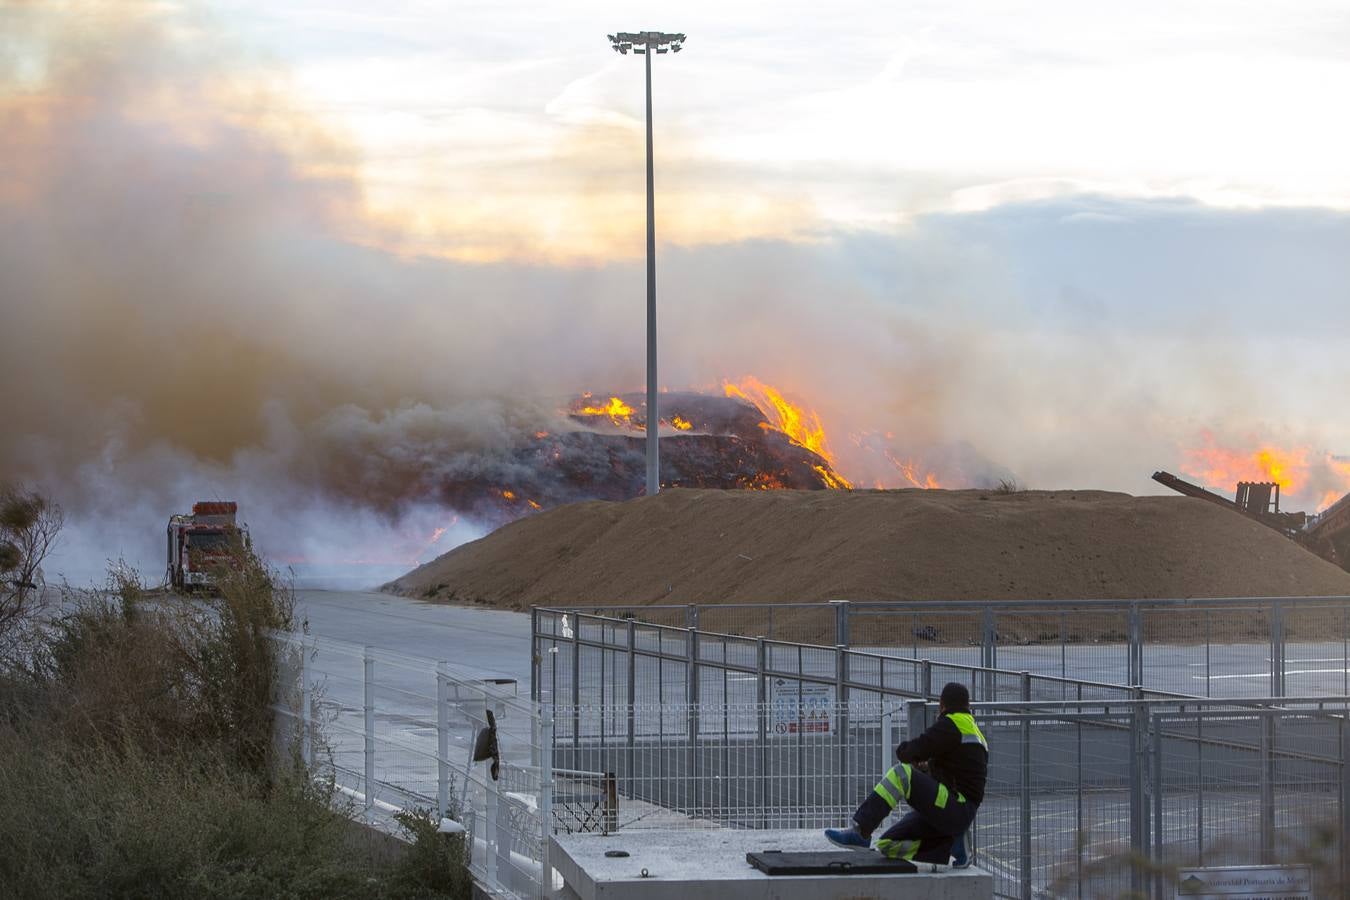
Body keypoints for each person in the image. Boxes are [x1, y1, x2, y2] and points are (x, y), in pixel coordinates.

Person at [825, 682, 988, 866]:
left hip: (955, 807)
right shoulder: (973, 730)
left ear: (942, 705)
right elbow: (957, 773)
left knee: (902, 774)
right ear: (968, 705)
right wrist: (926, 769)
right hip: (954, 810)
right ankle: (952, 844)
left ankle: (861, 831)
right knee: (887, 845)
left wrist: (905, 752)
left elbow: (911, 752)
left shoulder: (953, 723)